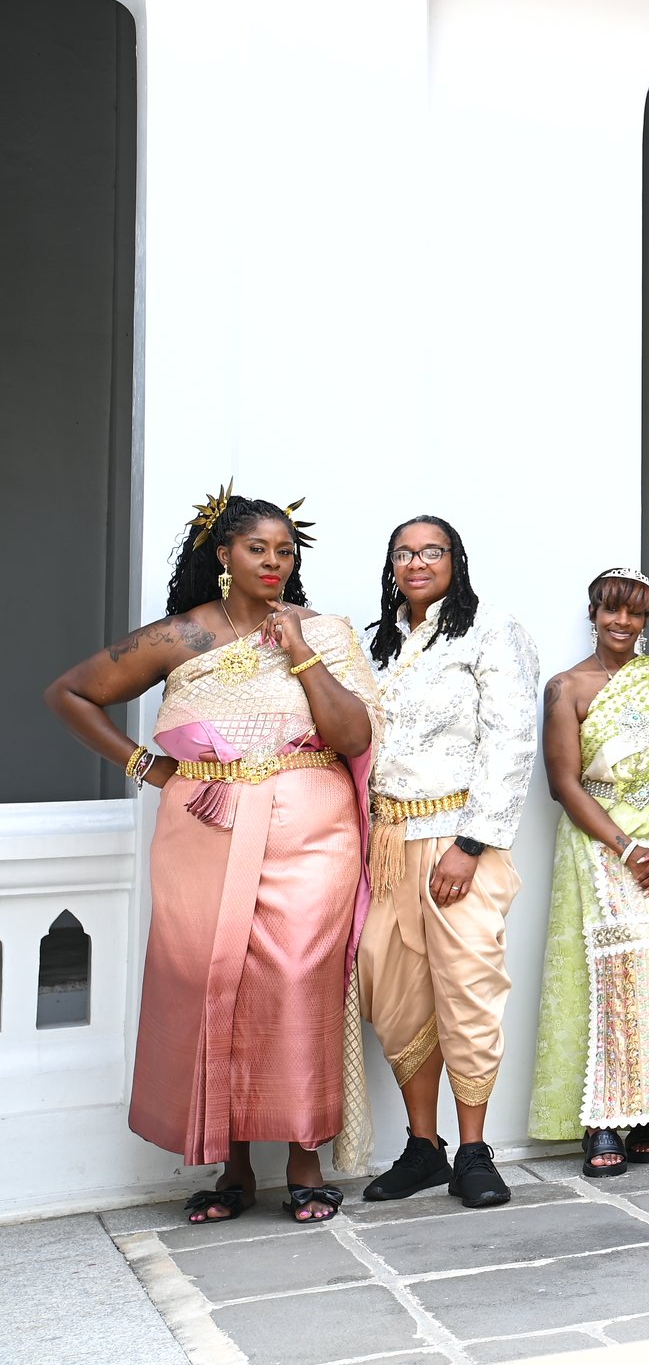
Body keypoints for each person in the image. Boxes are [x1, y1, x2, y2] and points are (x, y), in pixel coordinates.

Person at [43, 487, 379, 1226]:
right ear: (223, 554)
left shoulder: (323, 630)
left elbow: (353, 736)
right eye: (257, 547)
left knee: (297, 978)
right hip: (206, 822)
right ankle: (231, 1167)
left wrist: (300, 654)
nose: (273, 561)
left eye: (285, 549)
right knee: (208, 980)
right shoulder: (184, 637)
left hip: (309, 825)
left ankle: (304, 1160)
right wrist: (147, 767)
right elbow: (70, 693)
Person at [357, 516, 542, 1210]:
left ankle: (473, 1150)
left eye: (432, 550)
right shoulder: (377, 643)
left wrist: (471, 844)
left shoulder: (489, 629)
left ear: (456, 560)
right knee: (393, 989)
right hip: (388, 843)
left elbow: (511, 736)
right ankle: (423, 1147)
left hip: (458, 838)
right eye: (403, 551)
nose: (417, 561)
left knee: (467, 987)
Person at [529, 568, 649, 1177]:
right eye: (612, 611)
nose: (622, 623)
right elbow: (564, 782)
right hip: (599, 841)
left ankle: (647, 1115)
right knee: (601, 974)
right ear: (593, 612)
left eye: (635, 614)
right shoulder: (567, 688)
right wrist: (626, 848)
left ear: (646, 620)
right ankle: (602, 1121)